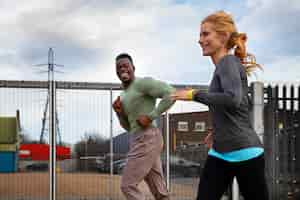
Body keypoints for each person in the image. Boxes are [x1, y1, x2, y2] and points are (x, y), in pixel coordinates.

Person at [170, 11, 269, 200]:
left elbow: (232, 99)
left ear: (223, 36)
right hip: (221, 152)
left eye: (205, 34)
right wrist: (219, 130)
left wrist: (193, 95)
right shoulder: (224, 67)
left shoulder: (228, 62)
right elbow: (239, 105)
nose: (200, 40)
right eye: (200, 35)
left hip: (245, 152)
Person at [112, 53, 175, 200]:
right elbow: (129, 127)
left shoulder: (142, 84)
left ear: (133, 67)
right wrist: (119, 113)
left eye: (125, 65)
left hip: (148, 137)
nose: (122, 68)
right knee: (160, 192)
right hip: (138, 138)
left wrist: (151, 116)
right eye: (119, 67)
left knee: (127, 185)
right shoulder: (123, 95)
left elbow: (171, 93)